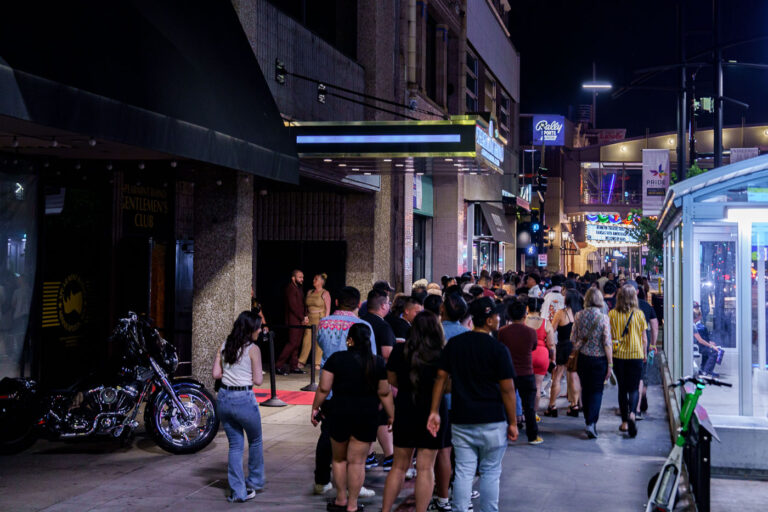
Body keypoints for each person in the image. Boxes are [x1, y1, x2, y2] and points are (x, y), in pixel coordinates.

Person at [428, 297, 518, 512]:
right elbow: (507, 389)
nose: (499, 319)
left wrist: (434, 411)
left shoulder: (455, 345)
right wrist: (513, 421)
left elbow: (440, 378)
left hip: (462, 418)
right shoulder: (498, 349)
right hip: (493, 420)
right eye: (496, 315)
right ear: (488, 320)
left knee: (464, 470)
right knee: (490, 471)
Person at [312, 324, 394, 512]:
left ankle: (340, 499)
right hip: (366, 415)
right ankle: (353, 505)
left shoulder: (336, 359)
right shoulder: (377, 362)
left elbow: (324, 388)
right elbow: (385, 393)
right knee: (357, 462)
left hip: (339, 413)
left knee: (339, 460)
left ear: (350, 339)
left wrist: (315, 407)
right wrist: (391, 415)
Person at [381, 312, 451, 512]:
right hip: (434, 412)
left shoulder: (399, 349)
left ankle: (385, 510)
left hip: (405, 408)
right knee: (425, 468)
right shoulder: (442, 353)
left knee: (398, 466)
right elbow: (448, 386)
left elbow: (391, 379)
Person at [313, 287, 378, 498]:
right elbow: (372, 357)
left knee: (328, 436)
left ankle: (322, 480)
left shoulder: (324, 323)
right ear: (358, 304)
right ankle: (354, 486)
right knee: (356, 445)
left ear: (338, 300)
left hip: (331, 388)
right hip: (358, 390)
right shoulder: (363, 325)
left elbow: (322, 345)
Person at [212, 311, 265, 503]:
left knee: (235, 446)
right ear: (250, 329)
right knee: (256, 440)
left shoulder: (225, 346)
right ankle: (255, 481)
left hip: (224, 399)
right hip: (244, 398)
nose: (260, 330)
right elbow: (258, 380)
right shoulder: (253, 349)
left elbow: (216, 374)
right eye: (258, 327)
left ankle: (239, 492)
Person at [359, 289, 396, 471]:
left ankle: (368, 455)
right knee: (382, 417)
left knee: (365, 415)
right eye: (388, 303)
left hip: (359, 375)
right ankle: (389, 456)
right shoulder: (383, 326)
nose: (389, 306)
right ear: (383, 305)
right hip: (377, 376)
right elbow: (387, 354)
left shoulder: (360, 322)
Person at [571, 289, 613, 439]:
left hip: (583, 358)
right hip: (599, 359)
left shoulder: (578, 316)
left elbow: (573, 338)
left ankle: (587, 418)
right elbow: (607, 343)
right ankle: (591, 422)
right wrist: (610, 363)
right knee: (596, 391)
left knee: (586, 388)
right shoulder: (603, 318)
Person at [498, 300, 541, 445]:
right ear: (525, 315)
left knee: (505, 404)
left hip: (507, 373)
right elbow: (534, 347)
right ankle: (532, 436)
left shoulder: (502, 332)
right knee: (529, 407)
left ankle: (504, 434)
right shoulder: (531, 332)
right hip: (526, 372)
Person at [609, 285, 648, 438]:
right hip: (636, 355)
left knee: (622, 389)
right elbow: (644, 338)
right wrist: (644, 354)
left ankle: (624, 422)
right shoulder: (639, 315)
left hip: (619, 356)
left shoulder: (612, 314)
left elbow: (609, 336)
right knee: (633, 388)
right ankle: (632, 413)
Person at [546, 289, 583, 418]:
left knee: (557, 376)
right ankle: (574, 405)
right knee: (574, 377)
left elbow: (552, 329)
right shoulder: (580, 313)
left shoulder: (561, 313)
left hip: (563, 346)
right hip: (576, 347)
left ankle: (552, 406)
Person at [524, 297, 556, 414]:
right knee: (537, 386)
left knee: (524, 386)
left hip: (526, 355)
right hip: (542, 355)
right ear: (541, 308)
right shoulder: (546, 322)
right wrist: (553, 359)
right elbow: (551, 344)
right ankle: (534, 413)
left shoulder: (523, 321)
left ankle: (522, 410)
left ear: (527, 307)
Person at [276, 269, 307, 375]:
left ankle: (294, 366)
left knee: (297, 344)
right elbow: (293, 306)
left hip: (300, 320)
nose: (302, 279)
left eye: (302, 277)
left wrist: (305, 316)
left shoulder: (299, 288)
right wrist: (302, 317)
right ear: (293, 278)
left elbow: (302, 304)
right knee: (292, 343)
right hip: (293, 320)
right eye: (300, 277)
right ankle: (278, 366)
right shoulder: (290, 288)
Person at [298, 273, 331, 371]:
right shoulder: (310, 292)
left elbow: (328, 308)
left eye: (316, 279)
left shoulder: (325, 293)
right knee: (306, 340)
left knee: (318, 341)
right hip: (310, 318)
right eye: (314, 279)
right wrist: (305, 317)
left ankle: (317, 362)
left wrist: (326, 321)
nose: (313, 280)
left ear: (321, 282)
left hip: (320, 318)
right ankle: (302, 361)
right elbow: (306, 307)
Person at [636, 287, 658, 418]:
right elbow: (654, 327)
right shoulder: (646, 306)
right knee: (642, 374)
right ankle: (641, 397)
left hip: (625, 347)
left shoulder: (621, 306)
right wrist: (653, 344)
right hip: (643, 344)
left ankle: (633, 404)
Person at [693, 309, 719, 377]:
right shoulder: (693, 326)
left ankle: (703, 369)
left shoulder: (693, 325)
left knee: (707, 351)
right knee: (714, 352)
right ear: (698, 316)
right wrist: (711, 346)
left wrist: (709, 343)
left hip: (696, 345)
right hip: (697, 346)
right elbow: (700, 340)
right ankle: (707, 371)